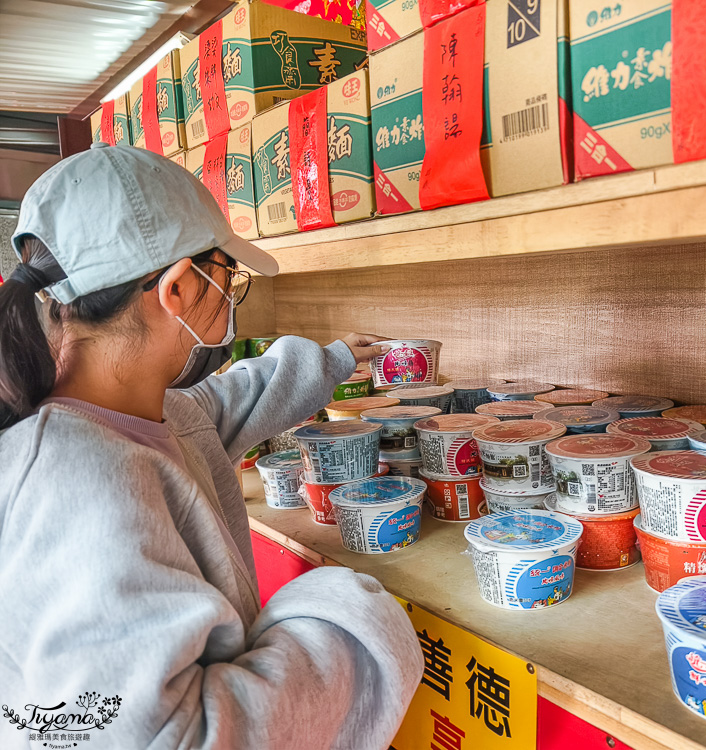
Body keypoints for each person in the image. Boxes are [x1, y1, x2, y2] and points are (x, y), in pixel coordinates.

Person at [0, 143, 423, 749]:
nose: (230, 297)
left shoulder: (138, 413)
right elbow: (178, 737)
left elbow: (222, 404)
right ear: (176, 289)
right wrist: (347, 614)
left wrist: (334, 360)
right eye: (229, 278)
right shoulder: (77, 485)